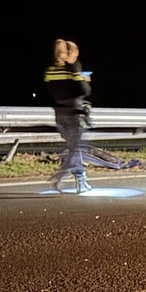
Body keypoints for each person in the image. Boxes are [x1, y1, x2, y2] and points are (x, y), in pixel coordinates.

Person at [44, 39, 92, 193]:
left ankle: (71, 179)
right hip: (74, 112)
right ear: (71, 53)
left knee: (74, 146)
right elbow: (84, 91)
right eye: (76, 53)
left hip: (60, 112)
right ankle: (75, 179)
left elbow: (50, 91)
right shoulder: (72, 68)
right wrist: (83, 80)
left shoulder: (50, 70)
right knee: (76, 146)